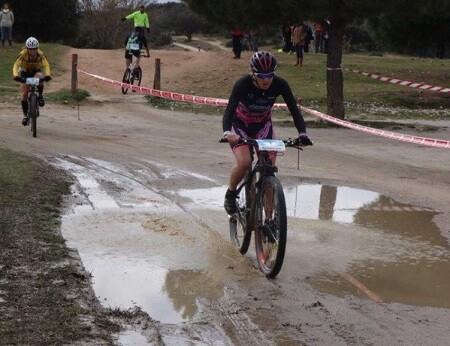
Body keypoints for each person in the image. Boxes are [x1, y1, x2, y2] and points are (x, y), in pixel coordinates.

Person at [222, 51, 313, 214]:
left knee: (268, 168)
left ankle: (270, 221)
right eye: (261, 75)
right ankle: (231, 193)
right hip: (240, 125)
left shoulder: (280, 84)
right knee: (245, 163)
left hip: (262, 126)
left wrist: (302, 134)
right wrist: (228, 132)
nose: (266, 80)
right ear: (253, 73)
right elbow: (229, 111)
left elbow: (294, 109)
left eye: (270, 75)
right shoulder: (242, 84)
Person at [12, 37, 51, 126]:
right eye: (30, 49)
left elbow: (46, 64)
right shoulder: (23, 54)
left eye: (34, 49)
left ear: (37, 48)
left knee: (40, 77)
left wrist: (48, 75)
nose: (32, 51)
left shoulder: (40, 54)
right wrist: (16, 76)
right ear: (27, 48)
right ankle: (25, 116)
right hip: (25, 72)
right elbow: (16, 64)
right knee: (24, 94)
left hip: (35, 71)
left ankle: (40, 96)